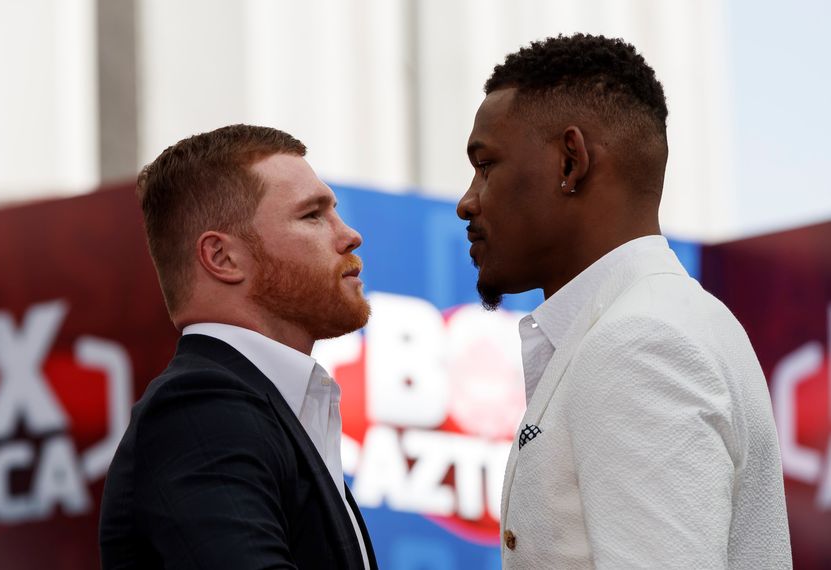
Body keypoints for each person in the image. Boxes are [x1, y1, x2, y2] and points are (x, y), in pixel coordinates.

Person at [457, 34, 791, 569]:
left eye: (486, 164)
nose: (467, 201)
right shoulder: (671, 317)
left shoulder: (639, 341)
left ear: (571, 162)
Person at [99, 124, 377, 569]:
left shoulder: (259, 405)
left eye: (334, 211)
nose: (349, 235)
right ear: (222, 258)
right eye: (312, 215)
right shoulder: (199, 409)